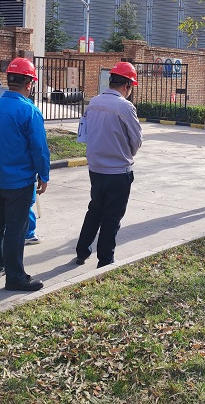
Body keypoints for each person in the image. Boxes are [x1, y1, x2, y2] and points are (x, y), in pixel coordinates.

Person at [0, 57, 50, 290]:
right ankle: (15, 277)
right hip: (19, 182)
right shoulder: (29, 111)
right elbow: (39, 148)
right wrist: (43, 175)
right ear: (30, 83)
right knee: (16, 229)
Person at [75, 61, 142, 267]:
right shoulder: (125, 106)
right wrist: (127, 153)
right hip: (118, 171)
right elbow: (136, 140)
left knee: (95, 210)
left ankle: (82, 251)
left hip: (96, 169)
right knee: (112, 217)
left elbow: (85, 134)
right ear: (127, 85)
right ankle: (105, 260)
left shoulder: (94, 102)